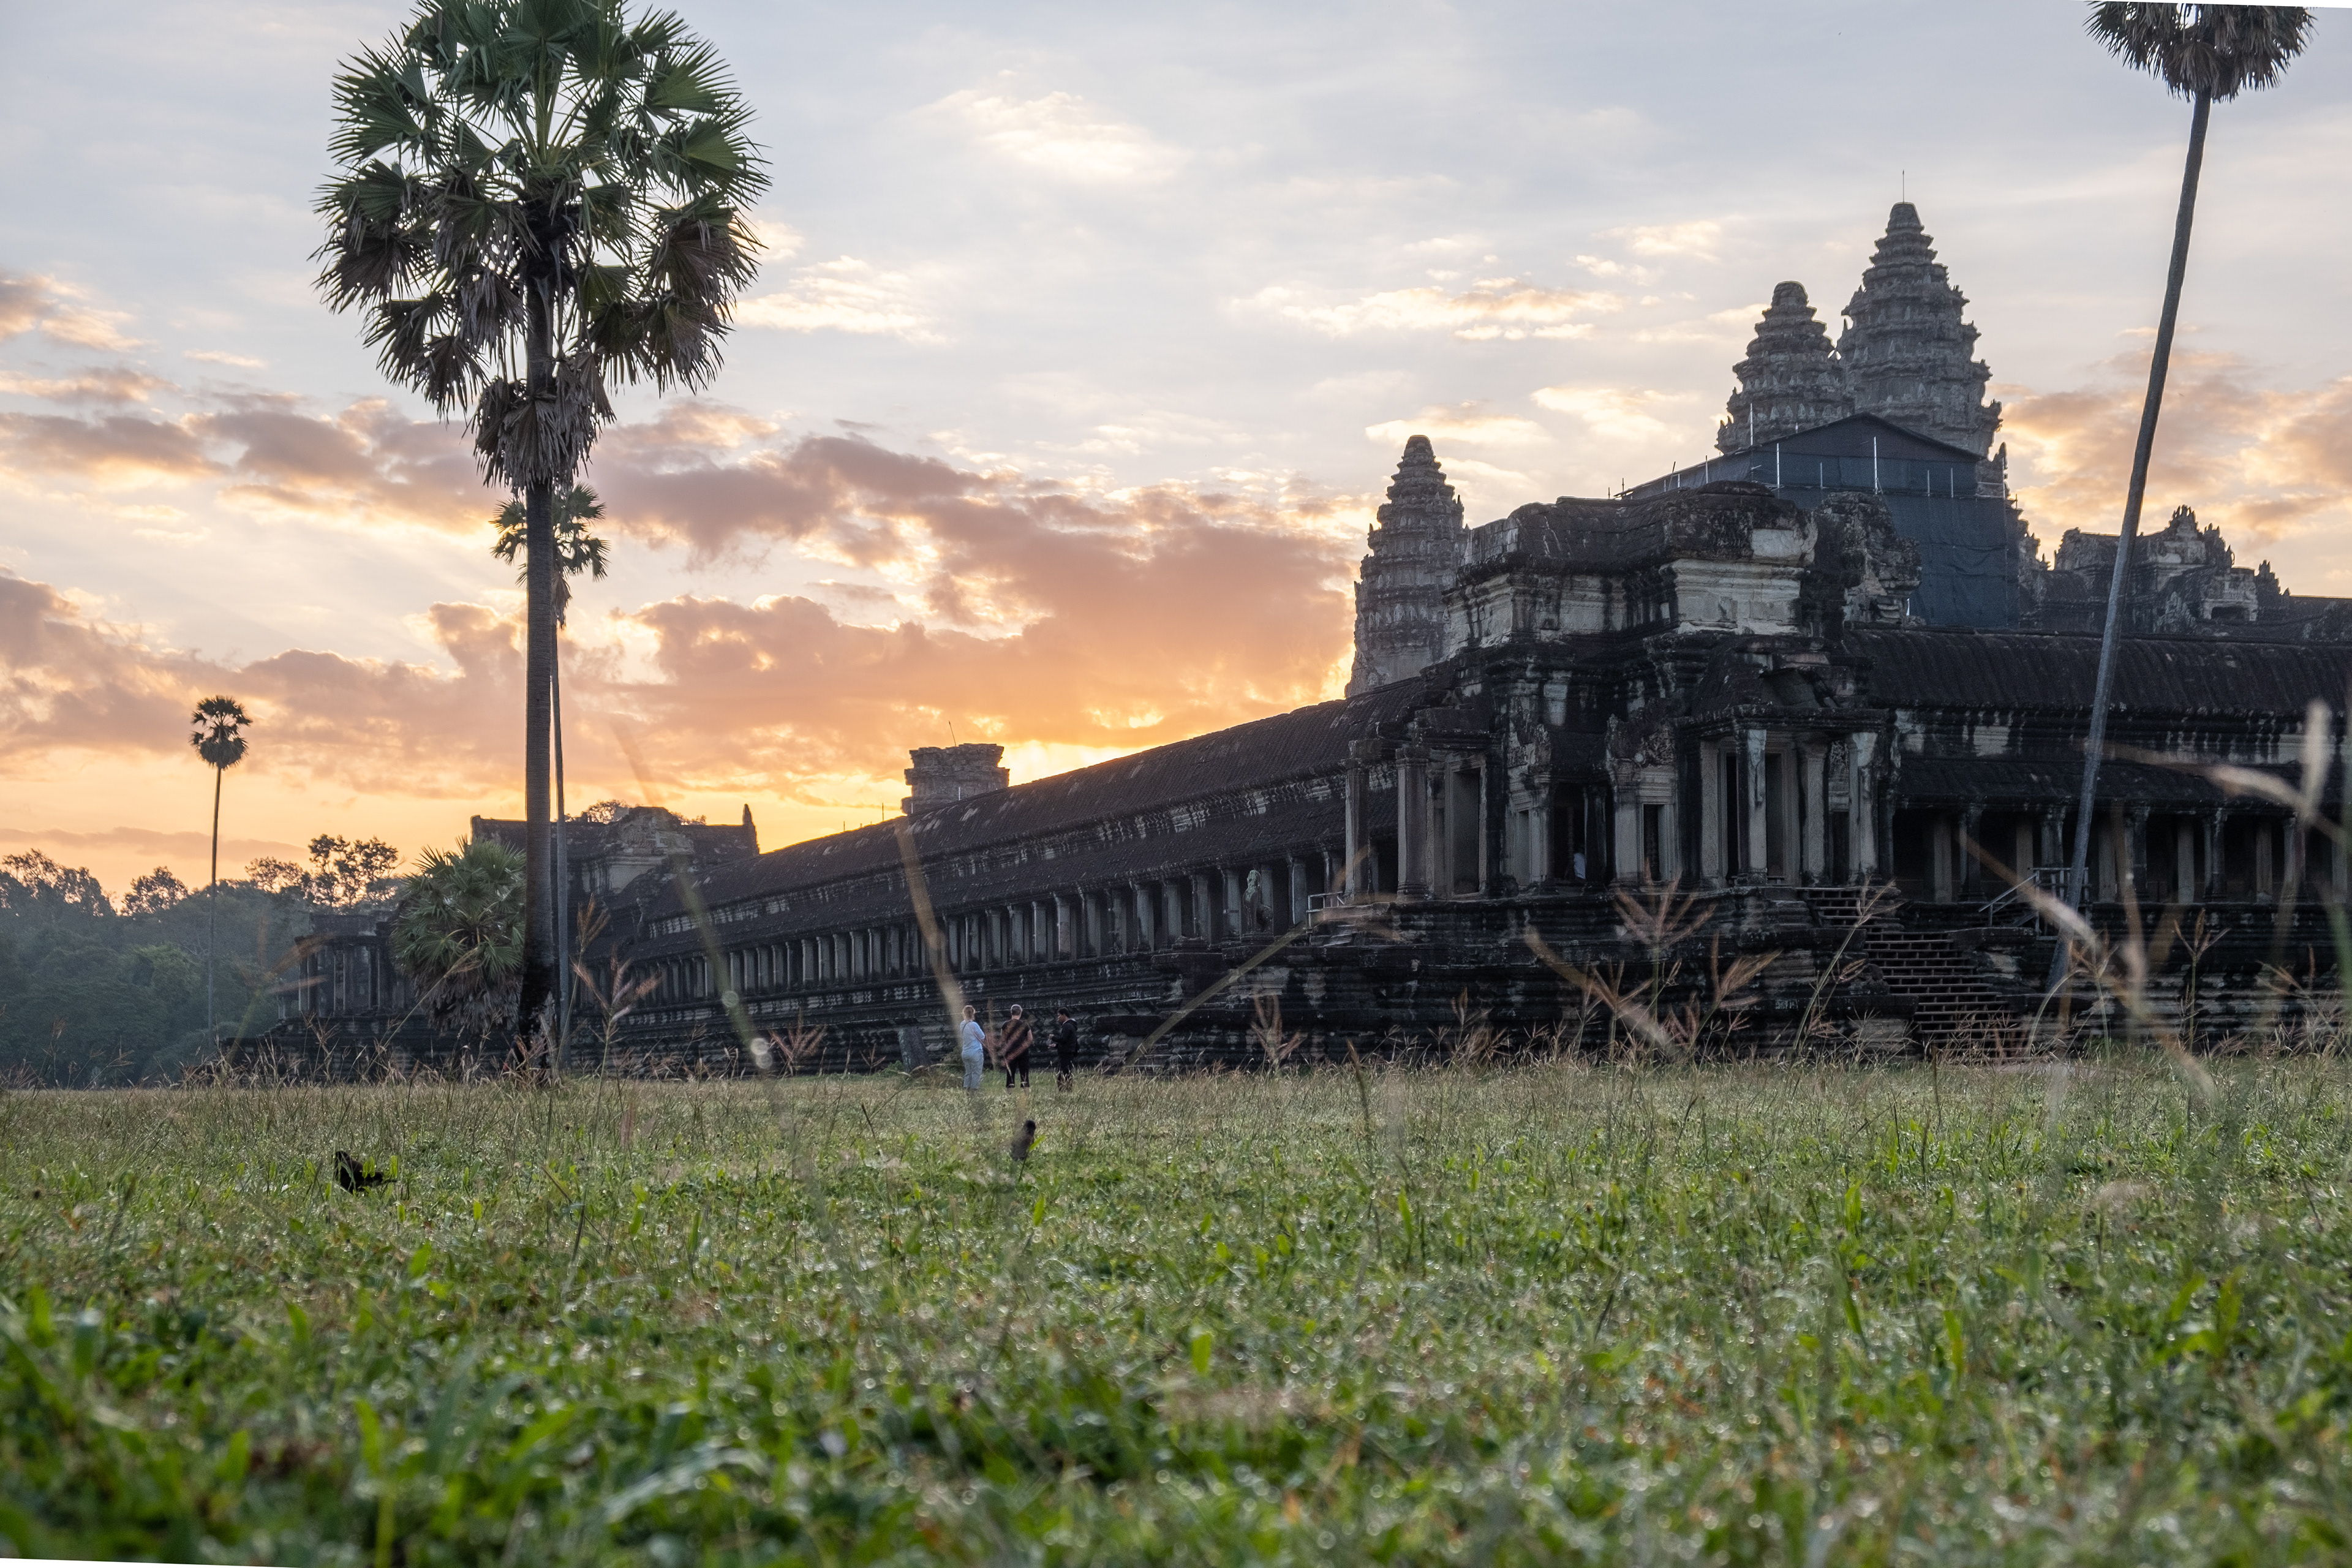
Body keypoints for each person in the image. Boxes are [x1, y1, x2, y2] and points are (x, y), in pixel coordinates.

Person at [1001, 1004, 1033, 1090]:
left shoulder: (1005, 1025)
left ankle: (1009, 1096)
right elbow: (1030, 1039)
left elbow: (1003, 1039)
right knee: (1024, 1074)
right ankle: (1026, 1095)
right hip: (1023, 1052)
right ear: (1021, 1013)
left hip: (1010, 1052)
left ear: (1011, 1013)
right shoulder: (1025, 1024)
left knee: (1010, 1074)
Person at [957, 1003, 986, 1091]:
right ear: (973, 1013)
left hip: (965, 1052)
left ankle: (966, 1091)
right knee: (976, 1073)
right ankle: (974, 1092)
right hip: (975, 1052)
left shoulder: (962, 1024)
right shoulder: (974, 1025)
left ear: (964, 1014)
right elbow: (982, 1037)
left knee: (968, 1073)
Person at [1052, 1007, 1079, 1091]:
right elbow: (1067, 1041)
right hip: (1068, 1052)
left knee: (1064, 1073)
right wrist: (1056, 1046)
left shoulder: (1067, 1026)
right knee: (1065, 1073)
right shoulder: (1071, 1025)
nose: (1058, 1018)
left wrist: (1053, 1038)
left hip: (1066, 1053)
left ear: (1064, 1015)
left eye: (1059, 1015)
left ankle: (1064, 1090)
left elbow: (1063, 1039)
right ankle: (1067, 1090)